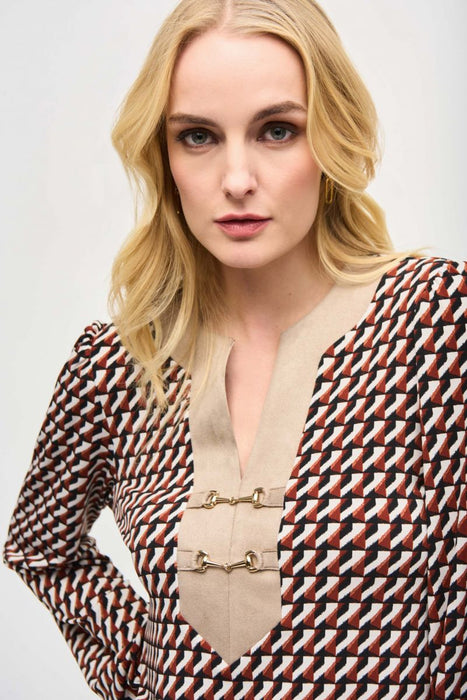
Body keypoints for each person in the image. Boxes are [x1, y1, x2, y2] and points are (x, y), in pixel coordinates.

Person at [4, 0, 466, 698]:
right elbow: (41, 549)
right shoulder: (117, 367)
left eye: (277, 130)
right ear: (163, 156)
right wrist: (149, 673)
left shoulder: (435, 322)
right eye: (197, 137)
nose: (237, 179)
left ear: (331, 138)